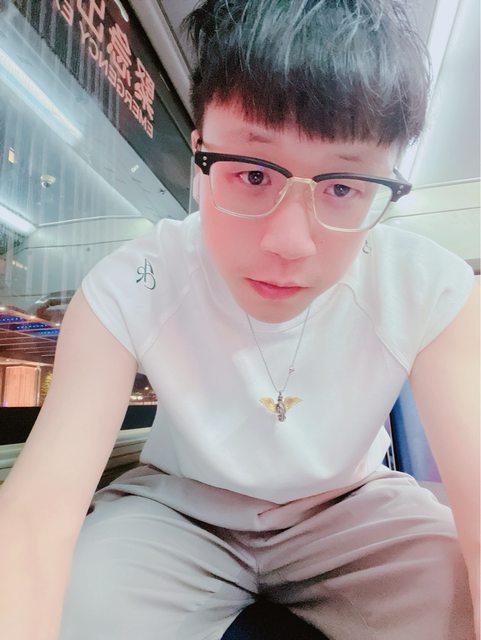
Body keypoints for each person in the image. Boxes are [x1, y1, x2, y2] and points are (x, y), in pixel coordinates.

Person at [0, 1, 479, 639]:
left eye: (343, 187)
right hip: (177, 510)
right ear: (200, 154)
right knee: (76, 609)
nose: (290, 242)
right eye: (252, 174)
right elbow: (37, 514)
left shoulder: (429, 287)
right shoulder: (133, 282)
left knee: (454, 595)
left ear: (386, 181)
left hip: (353, 507)